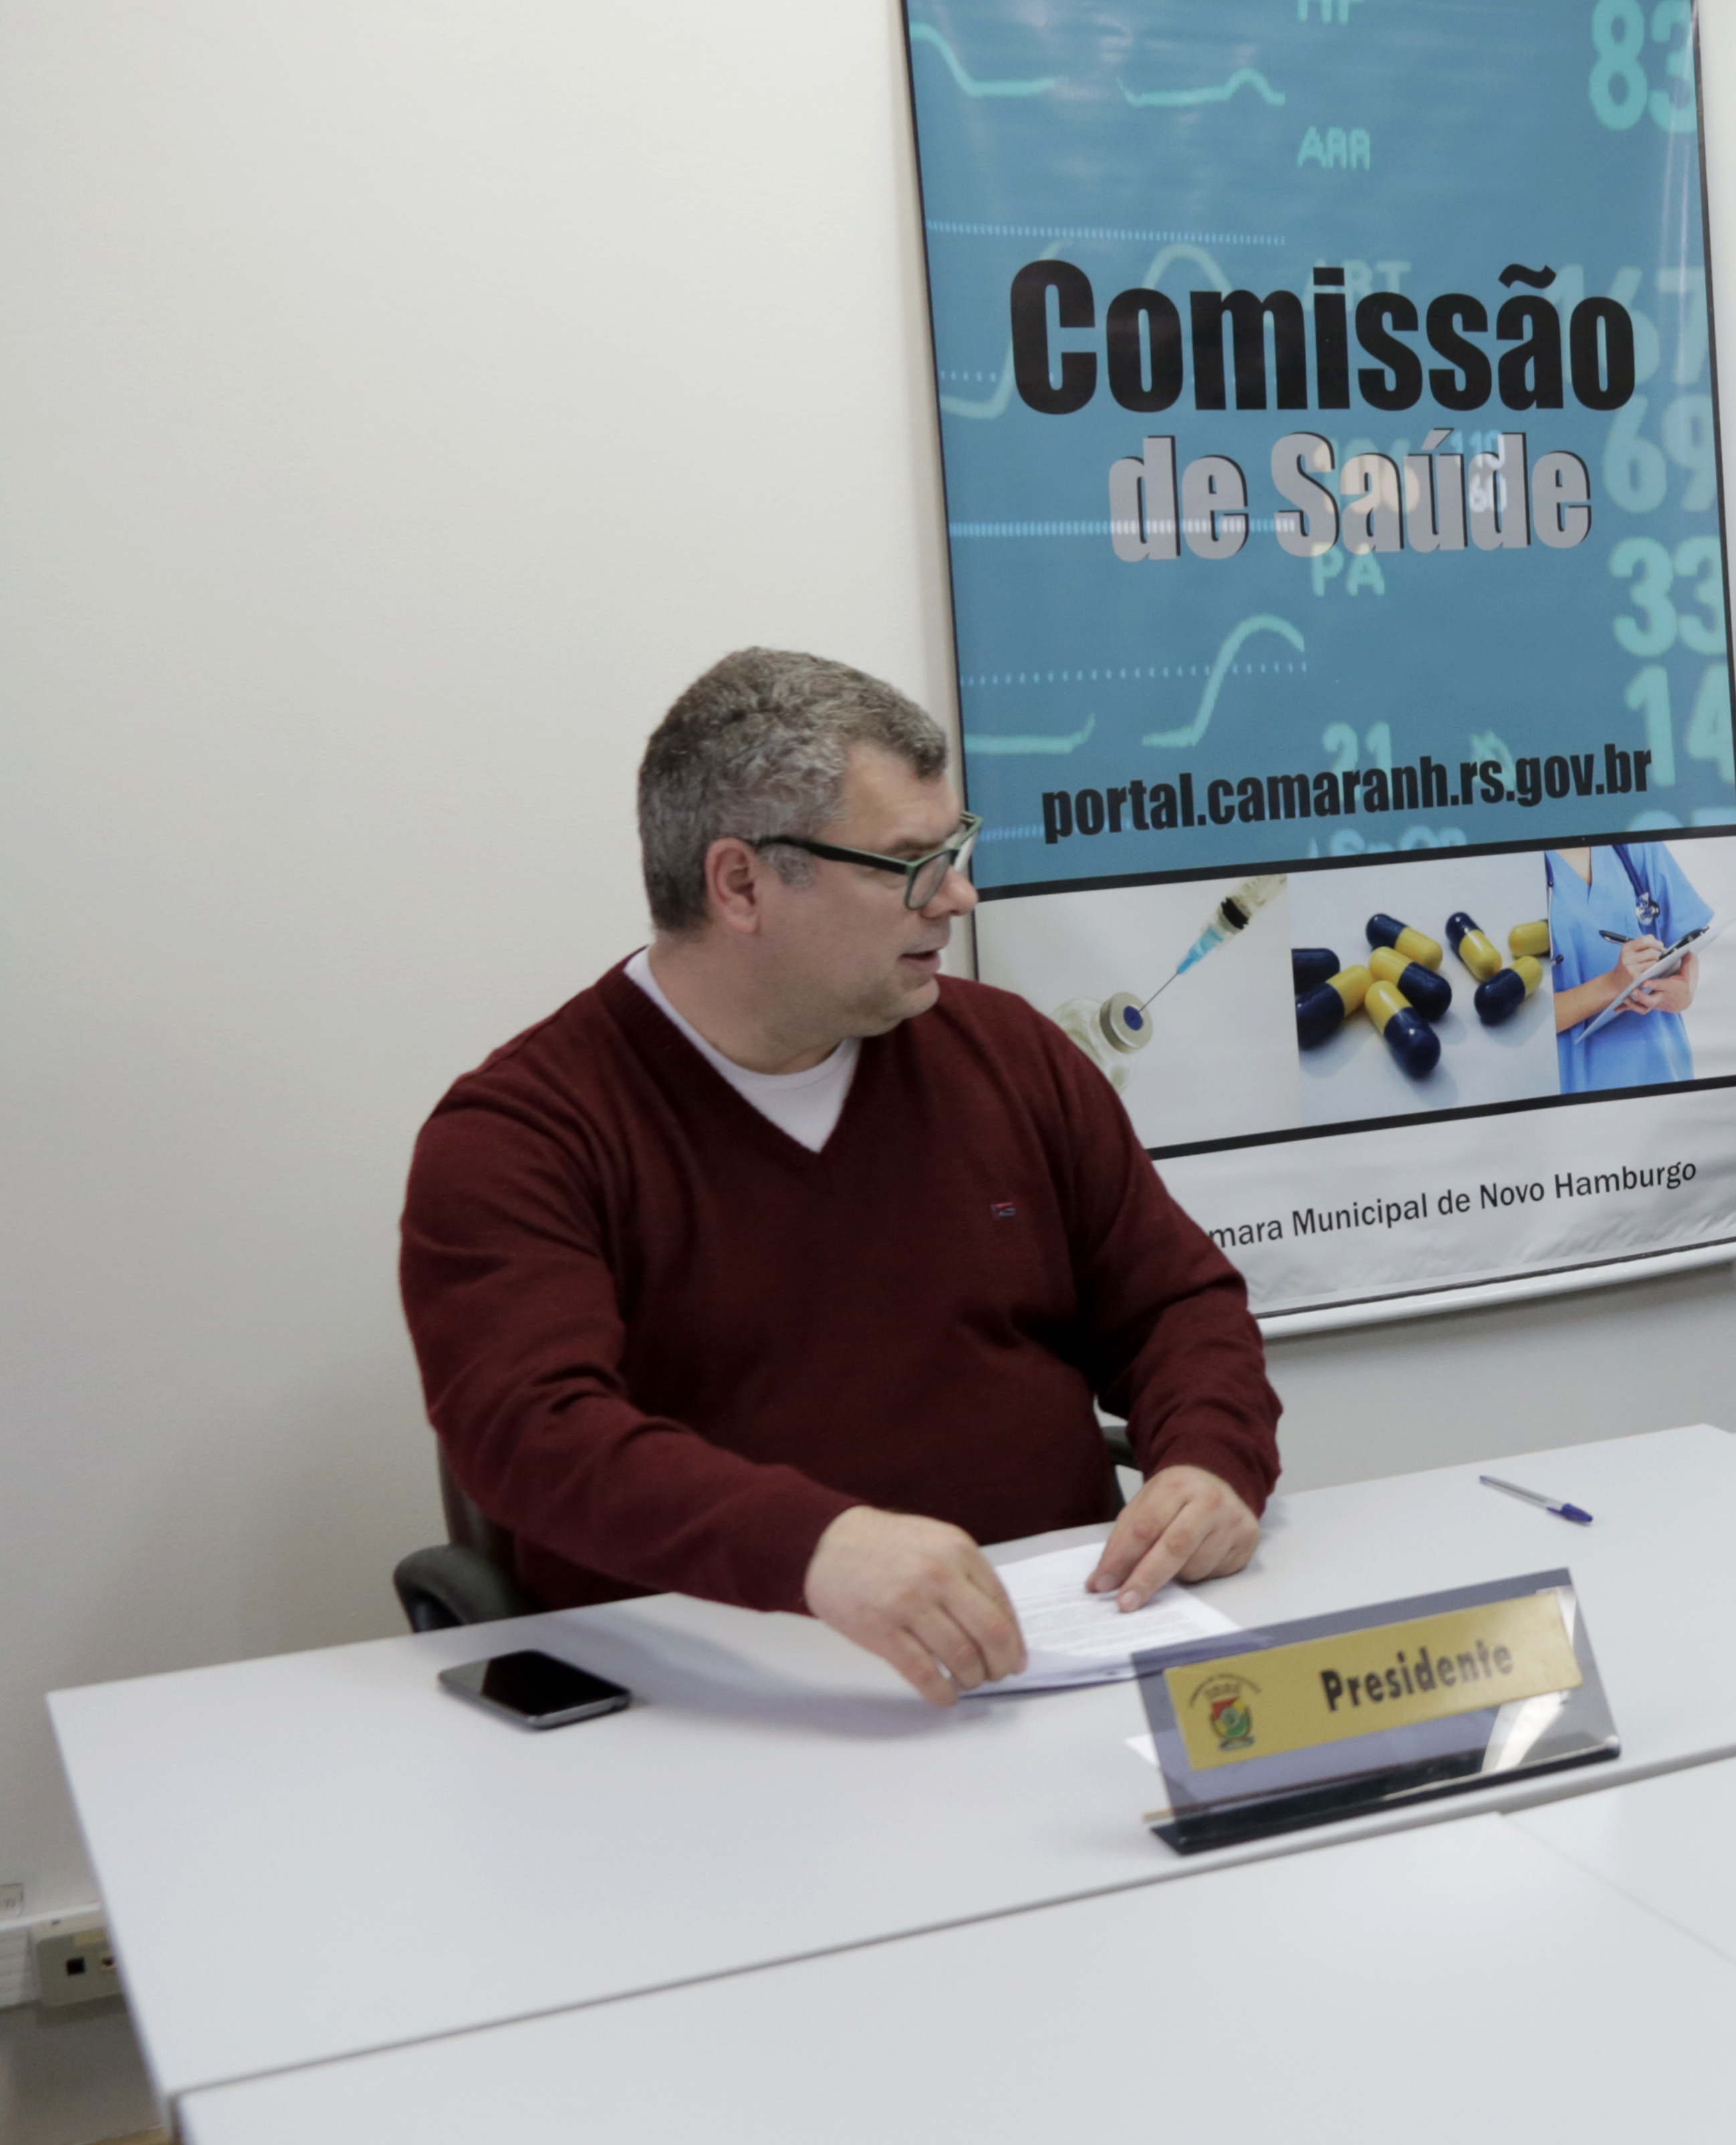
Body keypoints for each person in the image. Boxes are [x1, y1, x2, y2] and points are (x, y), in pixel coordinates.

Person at [400, 650, 1283, 1706]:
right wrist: (815, 1546)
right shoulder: (520, 1136)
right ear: (741, 884)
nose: (958, 896)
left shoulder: (1010, 1054)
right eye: (909, 863)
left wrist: (1210, 1462)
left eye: (955, 848)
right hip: (721, 1708)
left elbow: (1177, 1304)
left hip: (1064, 1652)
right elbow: (533, 1434)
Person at [1547, 840, 1715, 1090]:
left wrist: (1684, 992)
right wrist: (1612, 984)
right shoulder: (1513, 865)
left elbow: (1685, 944)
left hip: (1661, 1068)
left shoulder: (1631, 838)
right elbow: (1517, 1016)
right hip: (1577, 1085)